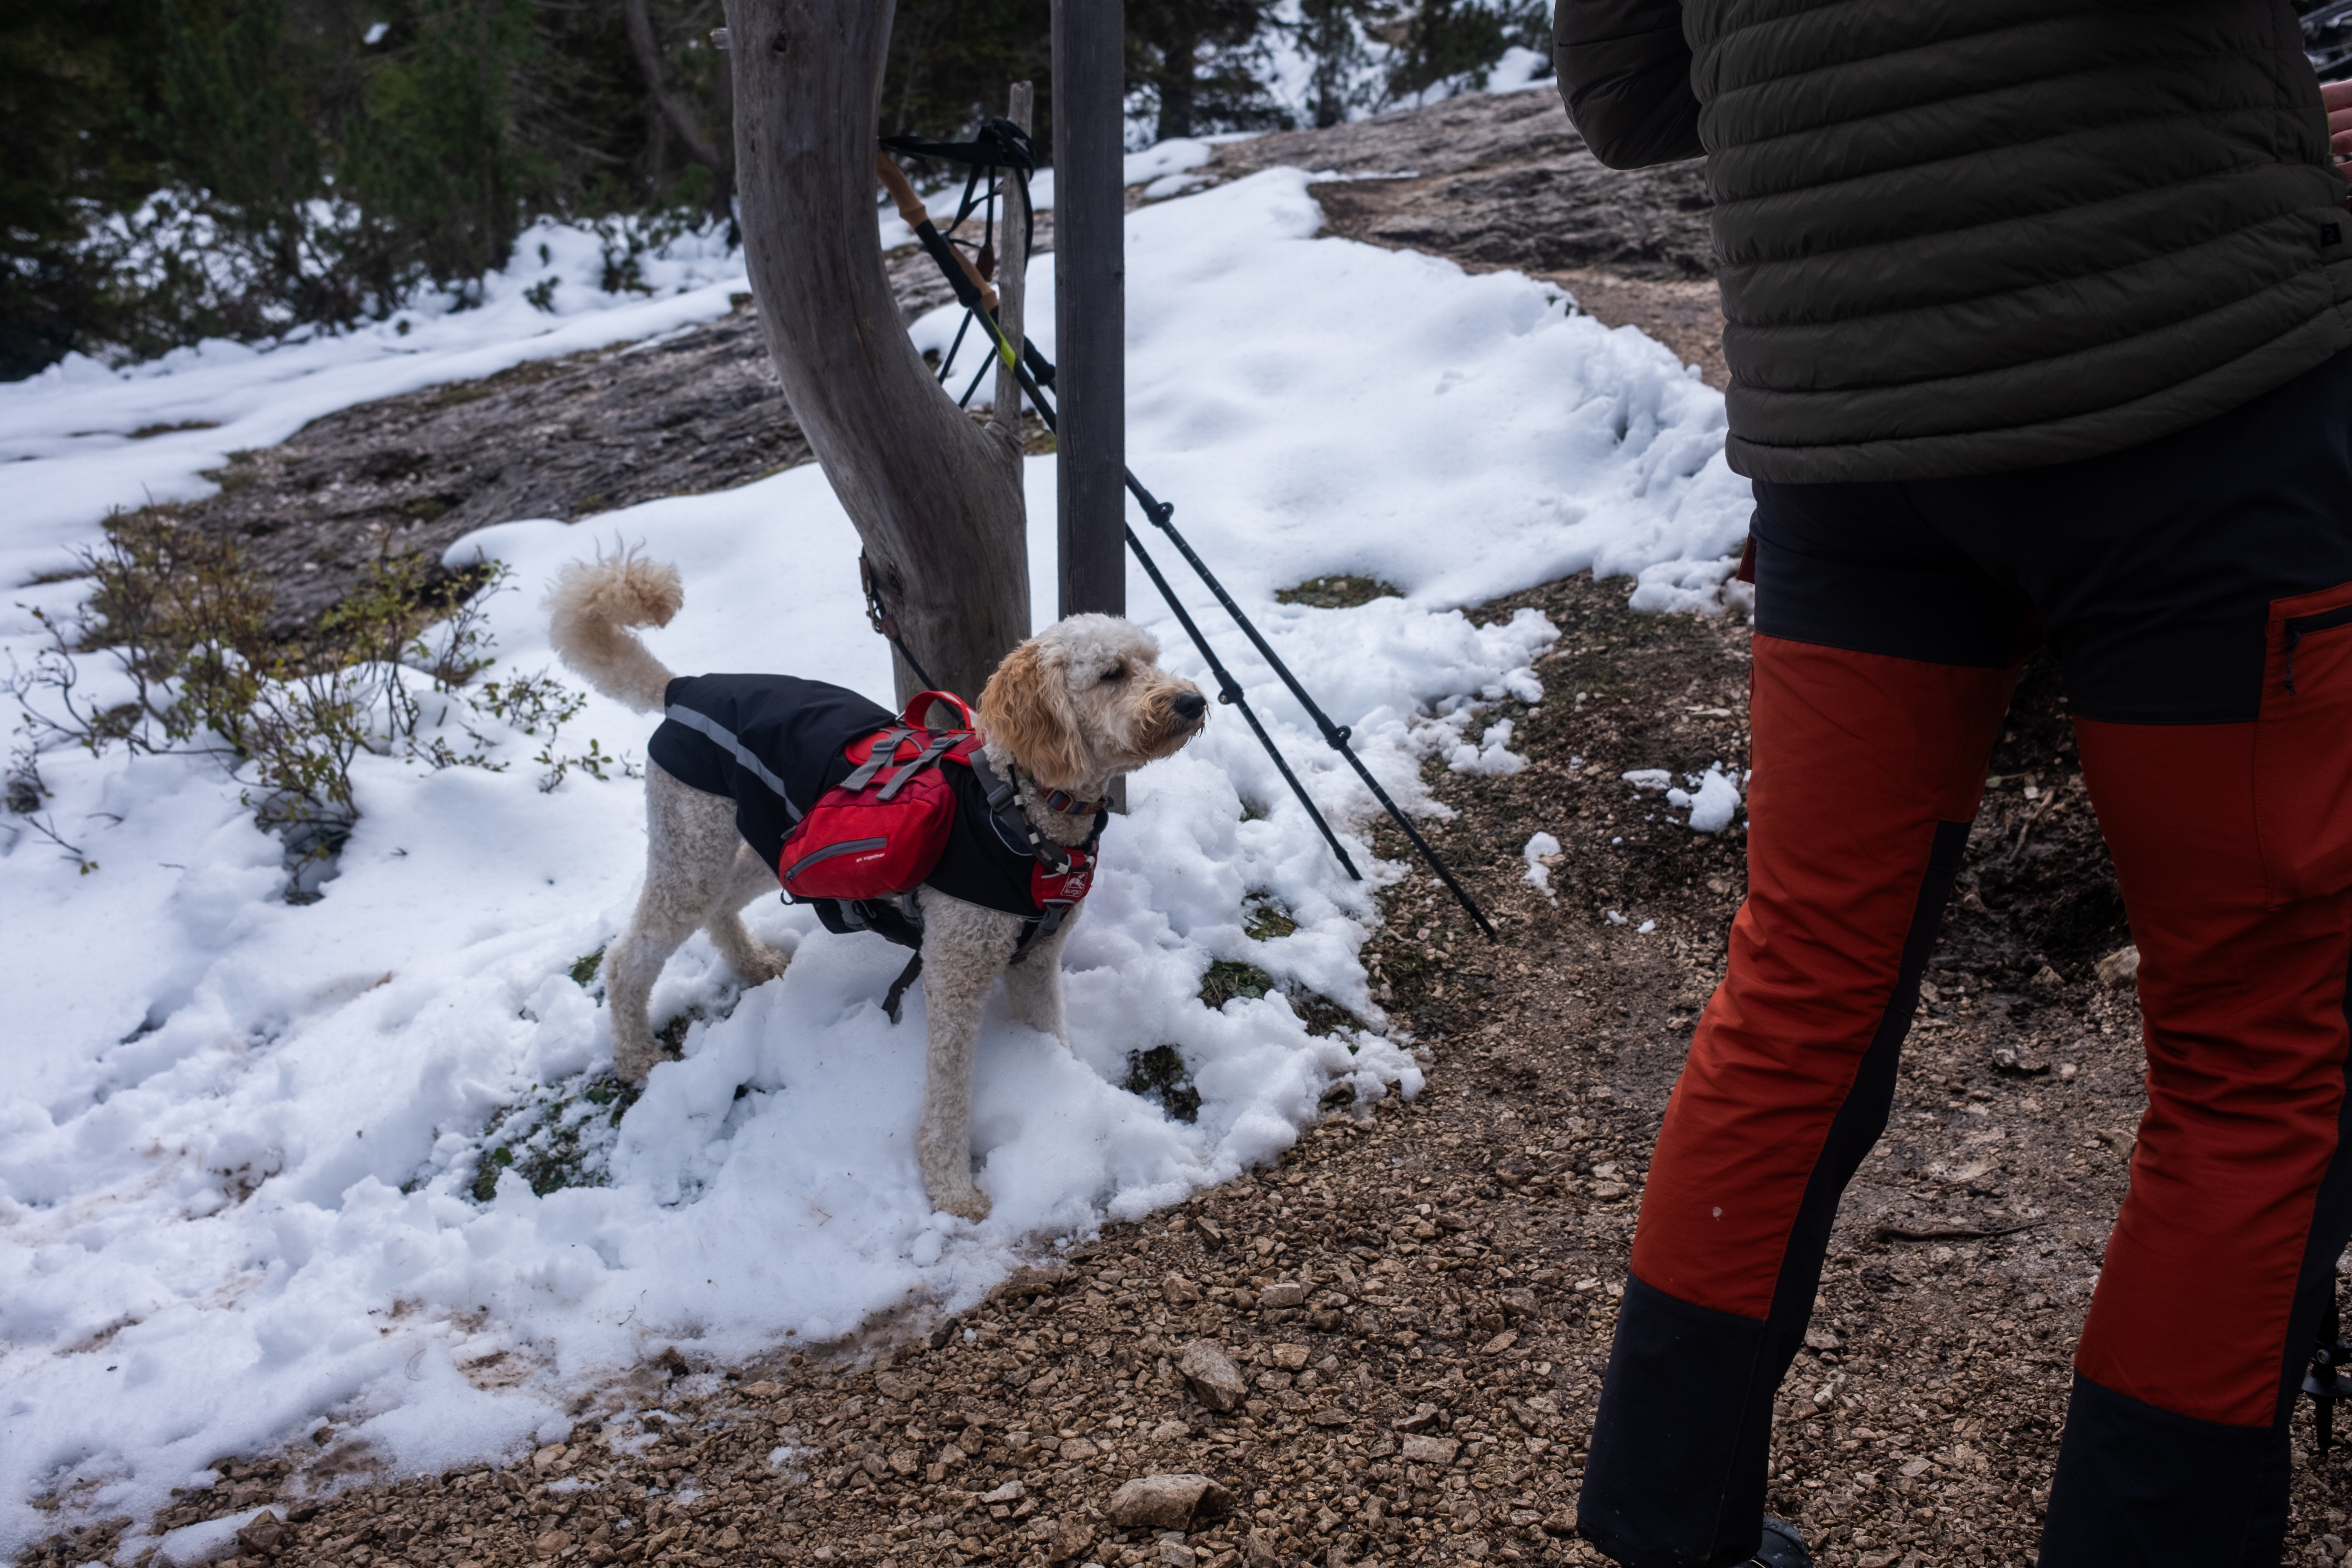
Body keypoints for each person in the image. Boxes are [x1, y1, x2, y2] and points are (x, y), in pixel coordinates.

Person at [1549, 2, 2352, 1563]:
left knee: (1800, 985)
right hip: (2190, 386)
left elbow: (1630, 93)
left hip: (1855, 434)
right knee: (2255, 1052)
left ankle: (1669, 1527)